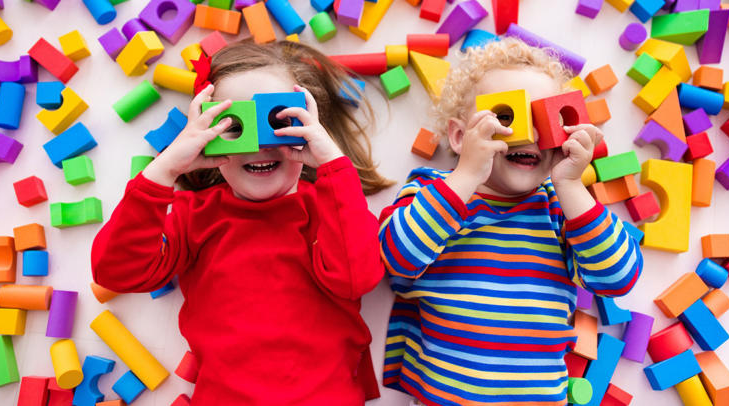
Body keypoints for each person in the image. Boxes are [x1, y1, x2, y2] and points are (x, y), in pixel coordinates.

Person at [91, 40, 392, 405]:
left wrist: (332, 164)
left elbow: (357, 278)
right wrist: (165, 169)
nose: (258, 145)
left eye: (279, 123)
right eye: (234, 127)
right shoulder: (193, 215)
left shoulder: (330, 206)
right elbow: (115, 272)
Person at [379, 38, 643, 405]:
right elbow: (395, 257)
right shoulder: (433, 191)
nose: (529, 135)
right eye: (506, 117)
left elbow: (618, 278)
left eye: (544, 120)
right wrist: (467, 175)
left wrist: (570, 184)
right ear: (459, 136)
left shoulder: (561, 209)